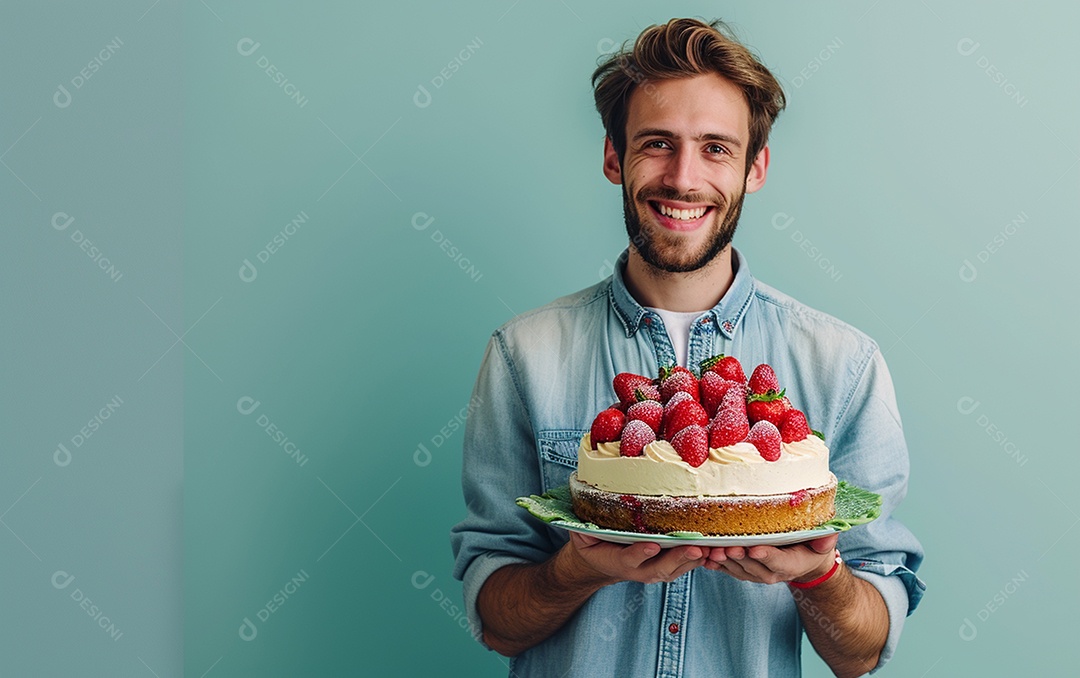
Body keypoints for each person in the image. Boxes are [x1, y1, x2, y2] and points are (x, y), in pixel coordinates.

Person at [451, 18, 924, 678]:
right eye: (656, 144)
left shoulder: (842, 365)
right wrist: (573, 572)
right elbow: (498, 622)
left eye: (715, 149)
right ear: (614, 156)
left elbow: (863, 651)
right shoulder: (523, 355)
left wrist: (818, 578)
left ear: (755, 167)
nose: (682, 177)